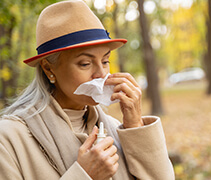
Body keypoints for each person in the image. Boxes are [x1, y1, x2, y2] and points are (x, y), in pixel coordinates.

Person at [0, 0, 174, 180]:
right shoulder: (9, 139)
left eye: (105, 61)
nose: (101, 74)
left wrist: (136, 127)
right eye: (85, 63)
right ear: (49, 69)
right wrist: (84, 176)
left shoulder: (115, 129)